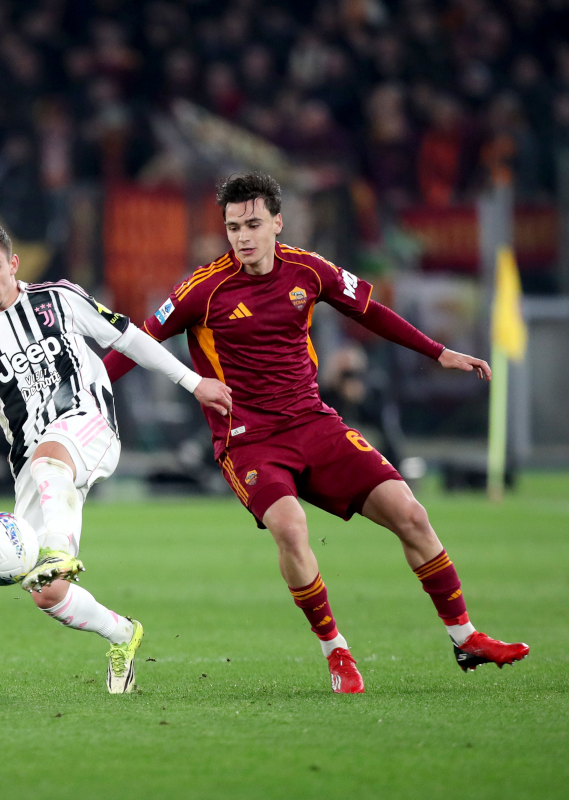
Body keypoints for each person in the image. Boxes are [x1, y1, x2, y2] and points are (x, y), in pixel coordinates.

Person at [103, 172, 528, 693]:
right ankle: (336, 651)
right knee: (291, 527)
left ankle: (465, 637)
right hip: (248, 439)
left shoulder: (309, 270)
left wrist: (438, 352)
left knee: (411, 515)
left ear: (277, 223)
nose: (243, 236)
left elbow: (370, 311)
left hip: (313, 422)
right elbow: (137, 343)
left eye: (253, 224)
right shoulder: (203, 290)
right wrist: (87, 393)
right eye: (233, 227)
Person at [0, 220, 232, 693]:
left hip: (89, 424)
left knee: (51, 466)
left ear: (13, 264)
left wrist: (193, 383)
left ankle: (59, 552)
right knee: (47, 592)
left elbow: (128, 338)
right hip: (35, 464)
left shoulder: (60, 298)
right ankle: (122, 634)